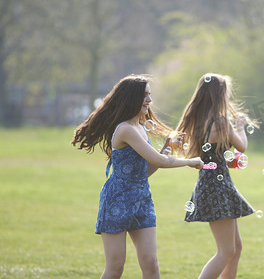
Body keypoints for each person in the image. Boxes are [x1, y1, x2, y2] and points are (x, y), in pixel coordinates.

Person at [71, 74, 204, 279]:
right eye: (144, 96)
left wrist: (167, 149)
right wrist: (189, 160)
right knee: (115, 268)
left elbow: (147, 171)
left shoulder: (140, 128)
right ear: (131, 98)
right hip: (117, 200)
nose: (149, 100)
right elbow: (160, 162)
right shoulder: (125, 130)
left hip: (142, 198)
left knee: (151, 264)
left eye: (149, 95)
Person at [176, 73, 255, 279]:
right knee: (226, 251)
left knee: (236, 248)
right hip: (217, 188)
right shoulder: (221, 123)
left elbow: (213, 155)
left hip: (212, 184)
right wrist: (240, 127)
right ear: (219, 95)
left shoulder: (201, 121)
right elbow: (242, 146)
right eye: (227, 93)